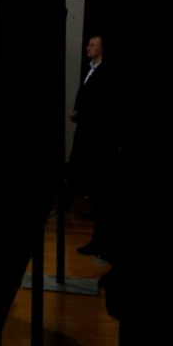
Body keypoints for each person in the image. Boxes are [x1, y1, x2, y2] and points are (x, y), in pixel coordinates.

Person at [68, 34, 116, 257]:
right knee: (96, 196)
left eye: (92, 45)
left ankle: (105, 242)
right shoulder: (91, 70)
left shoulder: (105, 73)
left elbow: (101, 107)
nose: (88, 47)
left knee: (102, 195)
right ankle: (99, 240)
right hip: (87, 137)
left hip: (99, 142)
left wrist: (82, 114)